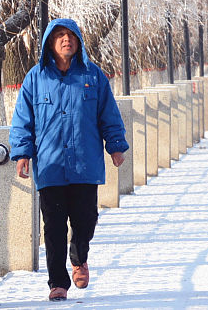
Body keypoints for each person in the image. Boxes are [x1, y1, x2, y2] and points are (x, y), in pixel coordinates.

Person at [10, 18, 130, 302]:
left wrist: (115, 146)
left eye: (71, 35)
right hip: (50, 165)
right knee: (53, 227)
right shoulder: (36, 78)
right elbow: (23, 120)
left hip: (84, 164)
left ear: (79, 42)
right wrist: (22, 153)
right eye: (60, 35)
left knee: (85, 220)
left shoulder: (93, 76)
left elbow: (109, 114)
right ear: (50, 43)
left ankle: (79, 258)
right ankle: (58, 283)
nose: (66, 40)